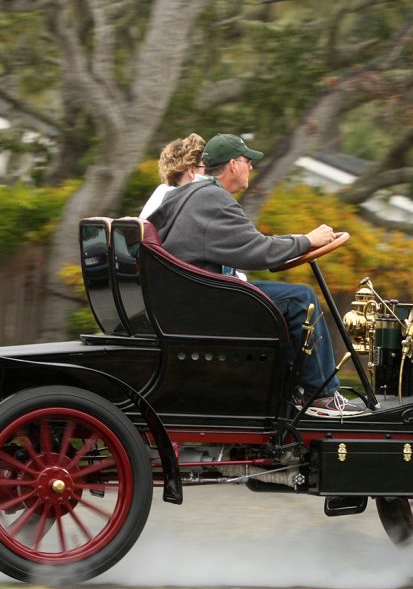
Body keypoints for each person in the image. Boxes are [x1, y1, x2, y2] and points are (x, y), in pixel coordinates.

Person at [146, 133, 364, 416]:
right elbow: (257, 250)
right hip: (203, 307)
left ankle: (294, 391)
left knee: (287, 297)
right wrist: (308, 241)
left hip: (190, 300)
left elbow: (250, 242)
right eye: (248, 161)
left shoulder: (190, 195)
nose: (252, 167)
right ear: (233, 164)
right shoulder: (211, 199)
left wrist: (300, 239)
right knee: (302, 299)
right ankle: (321, 396)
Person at [139, 133, 206, 219]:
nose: (206, 174)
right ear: (192, 171)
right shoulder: (186, 203)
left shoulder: (161, 192)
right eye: (204, 167)